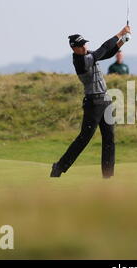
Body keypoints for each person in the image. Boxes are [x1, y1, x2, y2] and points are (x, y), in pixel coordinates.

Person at [50, 25, 131, 179]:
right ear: (75, 49)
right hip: (93, 103)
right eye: (82, 45)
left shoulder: (87, 54)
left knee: (109, 138)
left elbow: (107, 53)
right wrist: (120, 33)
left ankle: (108, 176)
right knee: (84, 139)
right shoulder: (81, 61)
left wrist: (122, 42)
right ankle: (59, 166)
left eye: (85, 44)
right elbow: (103, 48)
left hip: (105, 100)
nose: (85, 47)